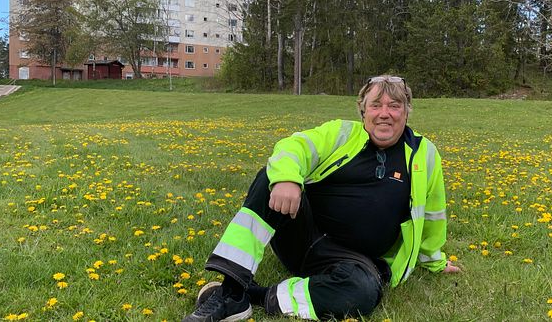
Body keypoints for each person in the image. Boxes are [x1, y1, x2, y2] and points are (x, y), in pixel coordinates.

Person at [182, 75, 459, 322]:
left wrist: (433, 260)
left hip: (355, 262)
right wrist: (287, 177)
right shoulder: (341, 134)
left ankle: (254, 296)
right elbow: (294, 146)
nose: (384, 114)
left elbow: (433, 213)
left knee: (362, 294)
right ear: (363, 111)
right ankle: (230, 291)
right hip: (301, 236)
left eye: (394, 106)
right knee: (271, 178)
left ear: (407, 111)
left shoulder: (425, 153)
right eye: (376, 105)